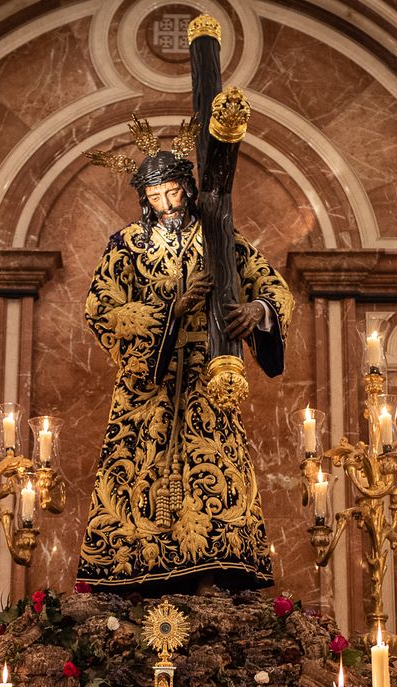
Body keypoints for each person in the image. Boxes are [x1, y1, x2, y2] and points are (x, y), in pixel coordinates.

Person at [79, 120, 293, 593]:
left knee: (214, 464)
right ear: (144, 199)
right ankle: (135, 576)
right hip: (147, 386)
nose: (167, 205)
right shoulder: (126, 246)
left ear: (190, 190)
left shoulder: (221, 239)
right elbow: (100, 309)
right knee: (139, 469)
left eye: (174, 193)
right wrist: (167, 312)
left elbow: (271, 284)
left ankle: (215, 570)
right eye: (156, 197)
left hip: (207, 377)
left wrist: (257, 311)